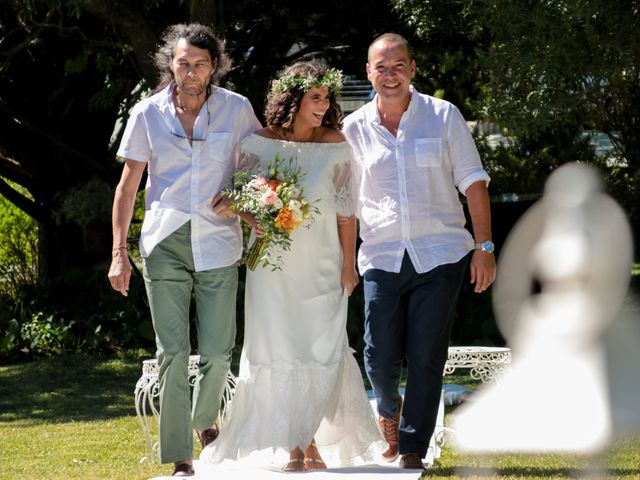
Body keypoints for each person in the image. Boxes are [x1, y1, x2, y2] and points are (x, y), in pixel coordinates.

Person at [199, 59, 384, 472]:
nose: (322, 105)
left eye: (326, 98)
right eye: (314, 97)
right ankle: (293, 446)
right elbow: (235, 200)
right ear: (294, 97)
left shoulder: (336, 142)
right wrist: (250, 211)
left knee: (320, 347)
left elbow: (345, 212)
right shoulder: (257, 144)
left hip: (322, 263)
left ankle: (312, 441)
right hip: (272, 269)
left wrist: (348, 266)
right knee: (278, 348)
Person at [107, 23, 260, 477]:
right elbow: (128, 184)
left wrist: (240, 197)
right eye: (182, 63)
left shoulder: (237, 110)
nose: (190, 72)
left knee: (217, 351)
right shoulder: (147, 112)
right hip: (164, 241)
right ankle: (180, 456)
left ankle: (202, 421)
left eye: (200, 63)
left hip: (218, 240)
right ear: (169, 64)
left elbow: (261, 163)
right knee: (172, 352)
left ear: (214, 66)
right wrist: (119, 251)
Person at [343, 33, 497, 470]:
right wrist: (343, 261)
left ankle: (412, 448)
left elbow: (474, 182)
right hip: (381, 255)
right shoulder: (352, 130)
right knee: (379, 354)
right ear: (368, 72)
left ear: (412, 68)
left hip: (441, 253)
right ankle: (388, 410)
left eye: (398, 65)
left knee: (428, 352)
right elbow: (347, 205)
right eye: (380, 67)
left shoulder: (443, 115)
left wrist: (483, 247)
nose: (389, 75)